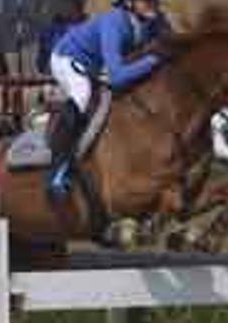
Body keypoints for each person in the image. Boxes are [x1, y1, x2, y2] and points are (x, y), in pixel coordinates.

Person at [46, 0, 171, 199]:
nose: (153, 4)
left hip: (97, 65)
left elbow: (171, 45)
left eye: (155, 1)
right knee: (82, 93)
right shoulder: (115, 23)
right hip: (67, 58)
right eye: (147, 1)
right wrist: (153, 61)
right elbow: (117, 77)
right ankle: (58, 168)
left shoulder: (156, 21)